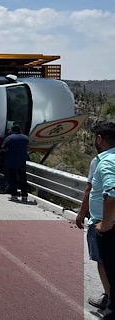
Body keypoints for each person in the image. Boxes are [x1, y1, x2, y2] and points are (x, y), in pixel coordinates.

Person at [76, 156, 111, 311]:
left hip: (102, 221)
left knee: (102, 259)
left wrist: (81, 213)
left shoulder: (100, 160)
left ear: (99, 138)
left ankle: (109, 299)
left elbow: (90, 189)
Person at [88, 121, 115, 320]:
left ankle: (111, 304)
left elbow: (112, 194)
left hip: (108, 225)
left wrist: (104, 225)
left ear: (100, 139)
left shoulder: (105, 161)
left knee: (106, 263)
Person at [1, 124, 30, 202]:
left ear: (12, 130)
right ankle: (24, 196)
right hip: (22, 162)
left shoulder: (9, 138)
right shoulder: (25, 138)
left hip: (11, 161)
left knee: (12, 179)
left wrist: (8, 151)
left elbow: (3, 148)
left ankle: (14, 195)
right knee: (23, 179)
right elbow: (27, 147)